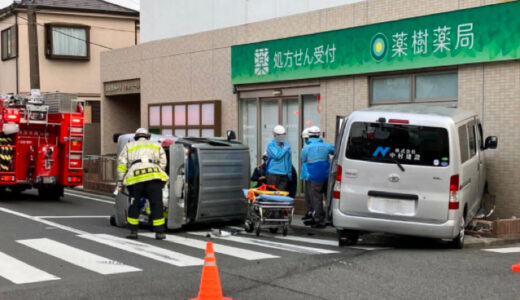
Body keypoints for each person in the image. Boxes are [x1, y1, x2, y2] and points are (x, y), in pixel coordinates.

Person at [117, 128, 169, 240]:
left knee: (134, 204)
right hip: (154, 177)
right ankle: (159, 232)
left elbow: (122, 164)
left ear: (136, 137)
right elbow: (163, 162)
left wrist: (120, 182)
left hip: (135, 178)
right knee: (157, 205)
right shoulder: (156, 145)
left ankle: (133, 231)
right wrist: (158, 170)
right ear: (148, 137)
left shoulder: (129, 146)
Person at [301, 126, 334, 228]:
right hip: (327, 175)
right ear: (319, 135)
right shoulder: (327, 146)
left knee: (317, 199)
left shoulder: (306, 148)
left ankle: (319, 220)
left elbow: (303, 159)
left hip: (315, 176)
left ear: (309, 136)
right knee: (329, 198)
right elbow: (336, 152)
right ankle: (330, 218)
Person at [266, 125, 292, 191]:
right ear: (274, 135)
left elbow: (289, 159)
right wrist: (284, 148)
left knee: (281, 195)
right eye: (279, 135)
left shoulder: (286, 144)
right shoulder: (271, 144)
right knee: (272, 194)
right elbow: (277, 156)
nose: (281, 137)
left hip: (284, 174)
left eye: (283, 134)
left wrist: (289, 173)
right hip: (273, 173)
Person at [300, 128, 313, 222]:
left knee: (312, 195)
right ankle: (309, 212)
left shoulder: (308, 148)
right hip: (308, 174)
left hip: (311, 175)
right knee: (308, 195)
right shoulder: (307, 147)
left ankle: (312, 213)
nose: (306, 140)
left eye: (307, 138)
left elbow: (303, 158)